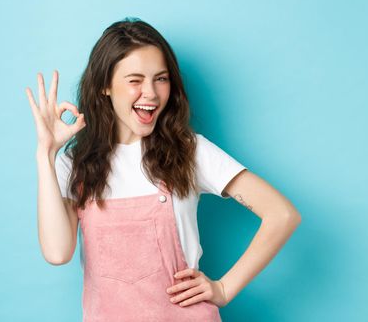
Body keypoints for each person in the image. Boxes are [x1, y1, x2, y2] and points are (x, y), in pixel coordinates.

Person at [25, 17, 302, 321]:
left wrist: (224, 288)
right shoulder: (74, 165)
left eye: (161, 78)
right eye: (135, 80)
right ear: (105, 86)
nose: (152, 93)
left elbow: (282, 214)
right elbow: (57, 252)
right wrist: (45, 154)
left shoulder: (188, 151)